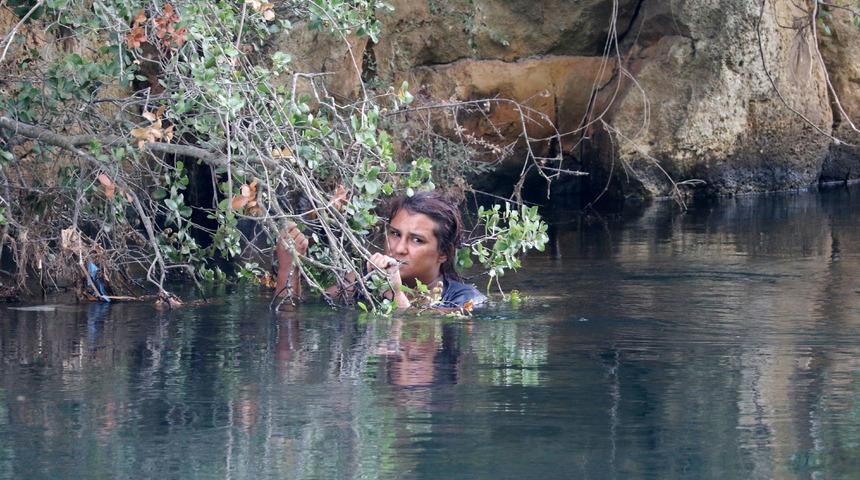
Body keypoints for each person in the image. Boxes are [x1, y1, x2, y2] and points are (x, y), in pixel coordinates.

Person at [275, 190, 486, 310]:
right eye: (395, 234)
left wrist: (395, 294)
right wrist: (288, 267)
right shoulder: (361, 282)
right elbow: (293, 313)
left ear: (444, 253)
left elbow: (421, 327)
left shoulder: (466, 300)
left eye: (417, 240)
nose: (399, 248)